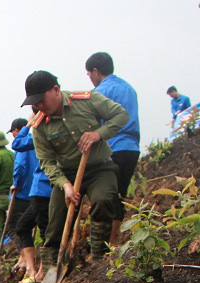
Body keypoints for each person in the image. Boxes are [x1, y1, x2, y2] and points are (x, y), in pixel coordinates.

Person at [22, 70, 129, 269]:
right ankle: (50, 271)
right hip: (68, 175)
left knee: (103, 201)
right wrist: (65, 185)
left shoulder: (86, 100)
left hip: (99, 168)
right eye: (34, 103)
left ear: (55, 90)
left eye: (41, 100)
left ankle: (99, 260)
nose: (39, 106)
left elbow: (120, 115)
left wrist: (99, 134)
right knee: (55, 225)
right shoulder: (39, 126)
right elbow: (47, 162)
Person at [86, 52, 140, 245]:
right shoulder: (129, 88)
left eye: (89, 74)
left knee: (106, 195)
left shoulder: (99, 92)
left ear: (95, 71)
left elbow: (93, 123)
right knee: (120, 193)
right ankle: (114, 239)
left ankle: (107, 243)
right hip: (131, 148)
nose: (90, 78)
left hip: (112, 148)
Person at [12, 114, 53, 283]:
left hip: (42, 189)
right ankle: (32, 269)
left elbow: (17, 146)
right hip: (39, 189)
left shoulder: (37, 135)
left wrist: (28, 125)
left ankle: (43, 271)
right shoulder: (37, 136)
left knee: (45, 230)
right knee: (24, 226)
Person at [7, 118, 33, 257]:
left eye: (12, 132)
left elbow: (20, 166)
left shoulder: (22, 145)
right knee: (28, 225)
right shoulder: (35, 140)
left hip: (22, 192)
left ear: (16, 130)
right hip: (35, 191)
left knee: (12, 225)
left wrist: (16, 184)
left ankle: (24, 257)